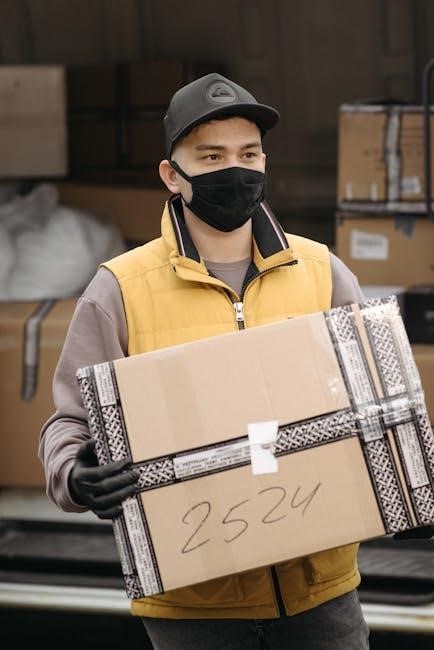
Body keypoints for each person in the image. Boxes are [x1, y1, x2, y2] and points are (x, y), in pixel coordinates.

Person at [38, 73, 431, 650]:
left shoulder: (322, 272)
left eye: (248, 154)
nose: (234, 170)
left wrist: (411, 482)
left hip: (321, 597)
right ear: (171, 175)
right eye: (212, 156)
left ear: (265, 162)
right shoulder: (119, 289)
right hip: (194, 606)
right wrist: (75, 475)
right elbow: (69, 423)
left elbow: (376, 402)